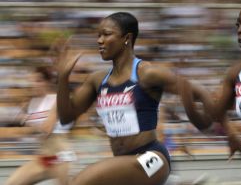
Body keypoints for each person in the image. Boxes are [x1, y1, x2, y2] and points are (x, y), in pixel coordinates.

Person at [57, 12, 212, 185]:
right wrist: (62, 78)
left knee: (80, 182)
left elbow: (200, 92)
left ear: (127, 38)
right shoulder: (97, 80)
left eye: (106, 34)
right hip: (123, 161)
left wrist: (205, 122)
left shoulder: (147, 73)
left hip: (151, 158)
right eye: (98, 35)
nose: (100, 40)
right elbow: (65, 118)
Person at [181, 2, 241, 161]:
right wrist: (195, 91)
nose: (240, 30)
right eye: (238, 24)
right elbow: (210, 118)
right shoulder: (236, 75)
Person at [4, 66, 76, 185]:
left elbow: (47, 128)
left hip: (61, 156)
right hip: (45, 157)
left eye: (38, 81)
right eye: (32, 81)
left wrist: (25, 118)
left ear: (48, 82)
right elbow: (32, 129)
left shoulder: (58, 99)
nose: (34, 84)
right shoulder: (32, 103)